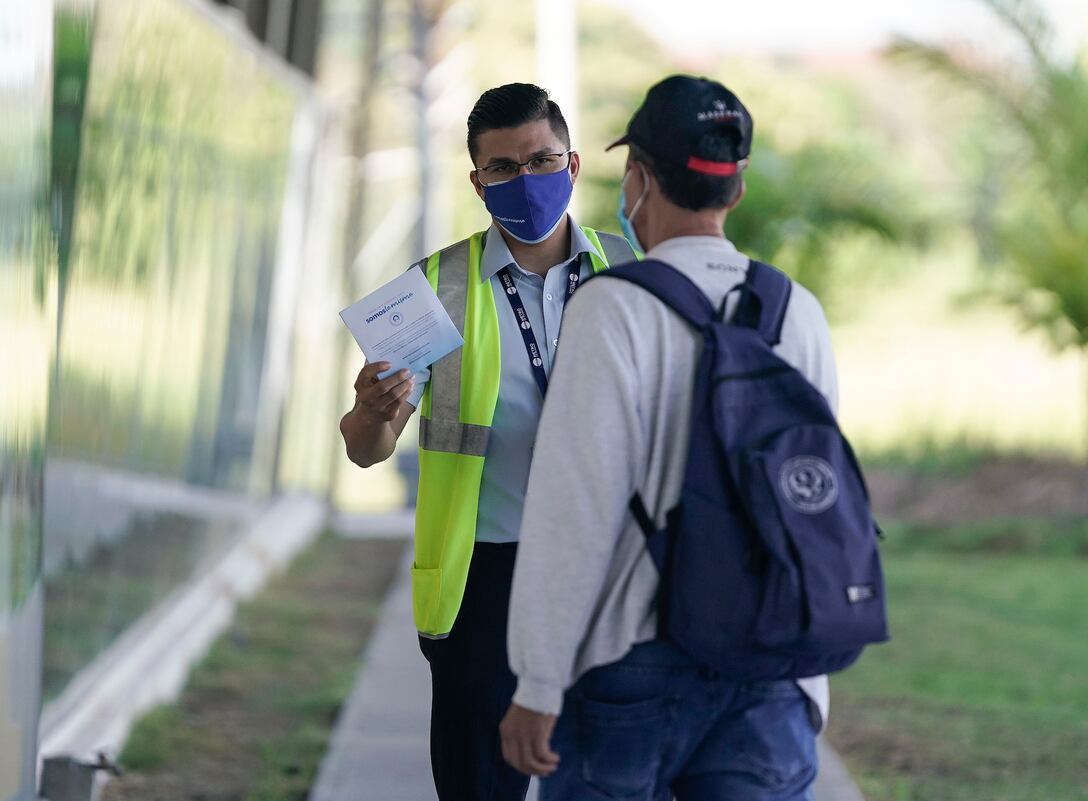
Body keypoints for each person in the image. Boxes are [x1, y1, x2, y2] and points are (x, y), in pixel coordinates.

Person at [500, 75, 839, 800]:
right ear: (736, 191)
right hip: (771, 667)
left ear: (639, 178)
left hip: (635, 663)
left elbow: (574, 510)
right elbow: (815, 495)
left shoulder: (612, 309)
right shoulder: (796, 311)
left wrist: (538, 678)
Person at [338, 82, 635, 801]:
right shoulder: (430, 289)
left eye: (541, 160)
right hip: (484, 582)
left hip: (612, 570)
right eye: (502, 168)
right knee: (480, 785)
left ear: (570, 166)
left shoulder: (631, 271)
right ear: (477, 182)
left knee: (608, 781)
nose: (524, 179)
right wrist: (372, 410)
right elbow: (364, 449)